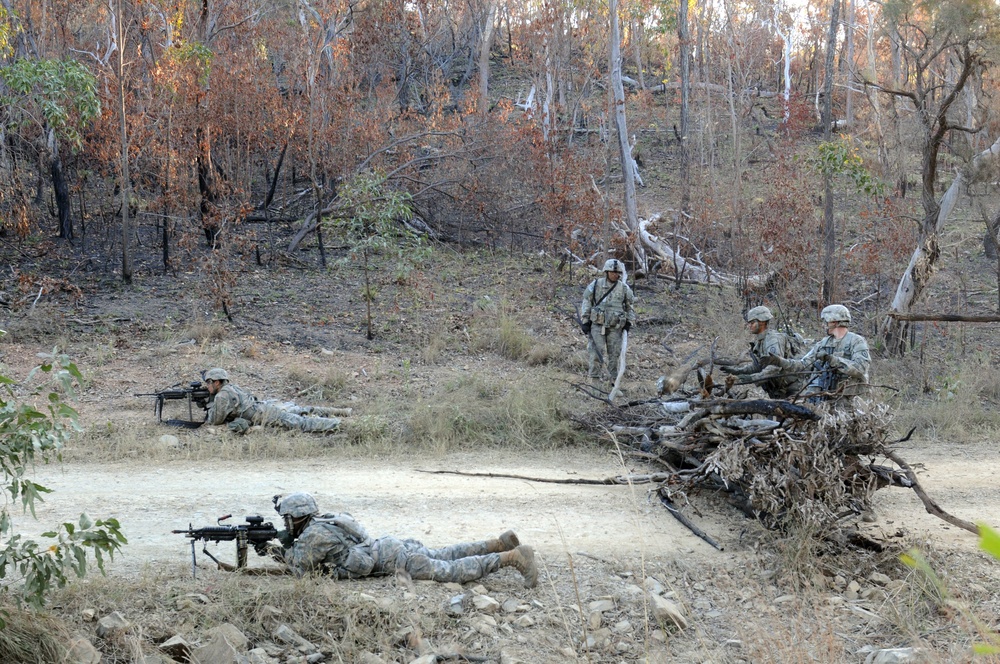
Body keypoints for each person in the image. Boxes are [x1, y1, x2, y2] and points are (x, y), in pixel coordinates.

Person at [261, 492, 539, 588]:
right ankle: (498, 542)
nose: (285, 523)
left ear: (297, 517)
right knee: (444, 553)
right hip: (391, 546)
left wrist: (279, 550)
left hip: (396, 560)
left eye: (287, 519)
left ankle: (512, 557)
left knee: (451, 571)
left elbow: (300, 570)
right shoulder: (328, 519)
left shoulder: (313, 535)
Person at [768, 304, 871, 400]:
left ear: (834, 321)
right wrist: (781, 361)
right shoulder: (824, 343)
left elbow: (861, 367)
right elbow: (804, 364)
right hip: (825, 397)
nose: (824, 325)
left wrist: (832, 359)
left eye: (826, 321)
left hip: (850, 398)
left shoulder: (856, 341)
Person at [203, 368, 347, 434]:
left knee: (301, 423)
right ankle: (343, 412)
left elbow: (216, 420)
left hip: (264, 413)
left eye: (209, 382)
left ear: (217, 382)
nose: (207, 385)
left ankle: (340, 424)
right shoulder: (231, 388)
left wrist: (210, 405)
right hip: (263, 407)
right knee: (301, 409)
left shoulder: (222, 396)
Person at [720, 306, 800, 399]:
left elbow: (774, 368)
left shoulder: (772, 339)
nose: (749, 326)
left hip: (794, 389)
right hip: (781, 390)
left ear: (762, 322)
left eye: (752, 322)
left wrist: (748, 379)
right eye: (749, 323)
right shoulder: (760, 341)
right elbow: (757, 366)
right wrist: (736, 371)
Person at [580, 259, 636, 388]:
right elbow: (587, 301)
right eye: (613, 272)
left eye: (618, 273)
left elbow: (630, 307)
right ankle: (594, 381)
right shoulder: (596, 285)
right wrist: (585, 320)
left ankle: (613, 382)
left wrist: (629, 322)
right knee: (596, 352)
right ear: (607, 272)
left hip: (616, 327)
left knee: (614, 354)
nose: (616, 275)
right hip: (597, 326)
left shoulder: (624, 288)